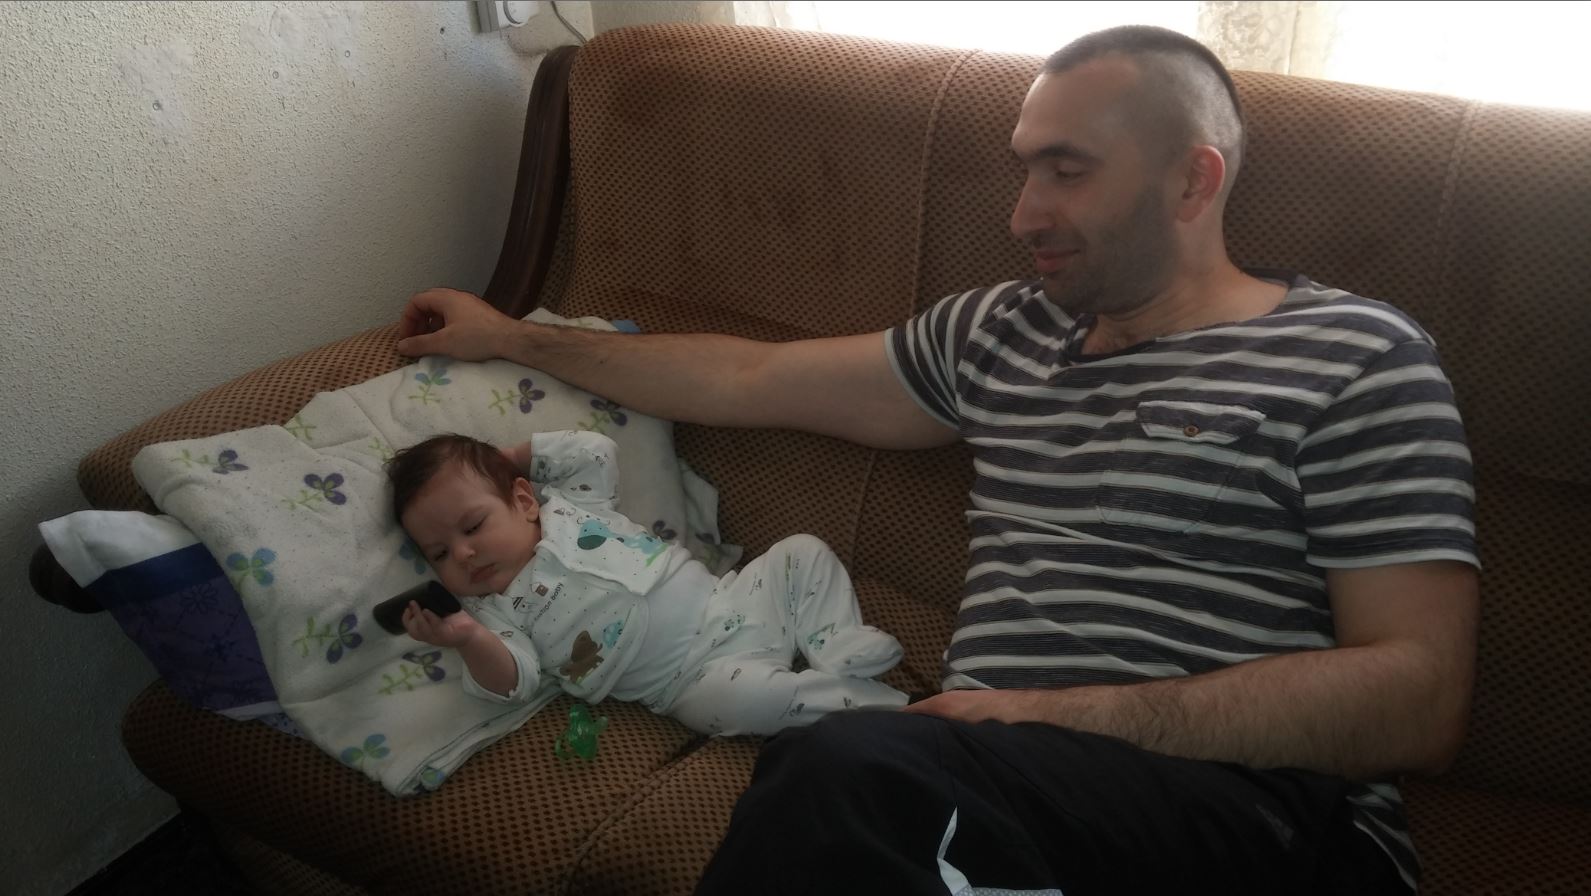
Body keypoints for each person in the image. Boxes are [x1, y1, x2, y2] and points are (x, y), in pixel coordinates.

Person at [392, 24, 1478, 895]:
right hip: (990, 794)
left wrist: (1046, 716)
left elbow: (1419, 700)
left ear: (1194, 181)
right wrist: (515, 338)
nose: (1022, 214)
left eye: (1066, 171)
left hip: (1255, 812)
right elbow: (748, 378)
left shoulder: (1354, 356)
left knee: (848, 770)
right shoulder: (1001, 332)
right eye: (1023, 171)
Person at [386, 429, 908, 736]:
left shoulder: (571, 507)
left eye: (473, 526)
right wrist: (467, 639)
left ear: (523, 501)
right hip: (691, 681)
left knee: (801, 550)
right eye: (439, 553)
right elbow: (511, 683)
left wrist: (503, 460)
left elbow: (595, 452)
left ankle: (835, 642)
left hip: (734, 600)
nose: (463, 554)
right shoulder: (493, 613)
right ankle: (887, 709)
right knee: (757, 702)